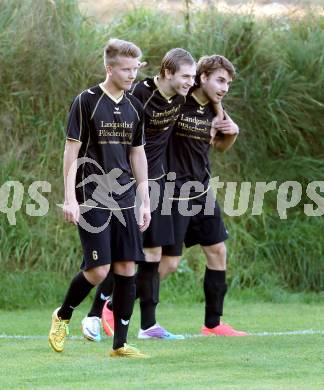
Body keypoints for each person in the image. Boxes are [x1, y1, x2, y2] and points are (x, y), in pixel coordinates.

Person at [81, 48, 197, 341]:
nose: (190, 82)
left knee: (154, 254)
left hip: (155, 184)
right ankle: (96, 313)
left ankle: (148, 326)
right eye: (186, 76)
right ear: (167, 72)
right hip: (126, 186)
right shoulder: (140, 95)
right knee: (124, 256)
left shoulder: (181, 98)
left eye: (193, 77)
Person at [48, 38, 151, 358]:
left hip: (124, 198)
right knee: (97, 271)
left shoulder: (135, 106)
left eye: (135, 69)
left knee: (126, 268)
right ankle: (63, 315)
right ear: (109, 68)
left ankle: (119, 344)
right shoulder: (87, 101)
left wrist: (144, 199)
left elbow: (138, 153)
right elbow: (71, 150)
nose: (132, 75)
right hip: (91, 195)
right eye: (126, 69)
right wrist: (69, 197)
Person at [159, 54, 248, 336]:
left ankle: (213, 324)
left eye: (228, 83)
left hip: (201, 191)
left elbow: (221, 145)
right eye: (220, 80)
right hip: (174, 192)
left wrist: (232, 132)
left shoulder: (214, 109)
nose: (224, 87)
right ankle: (112, 304)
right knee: (168, 264)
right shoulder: (178, 101)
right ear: (203, 77)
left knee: (218, 250)